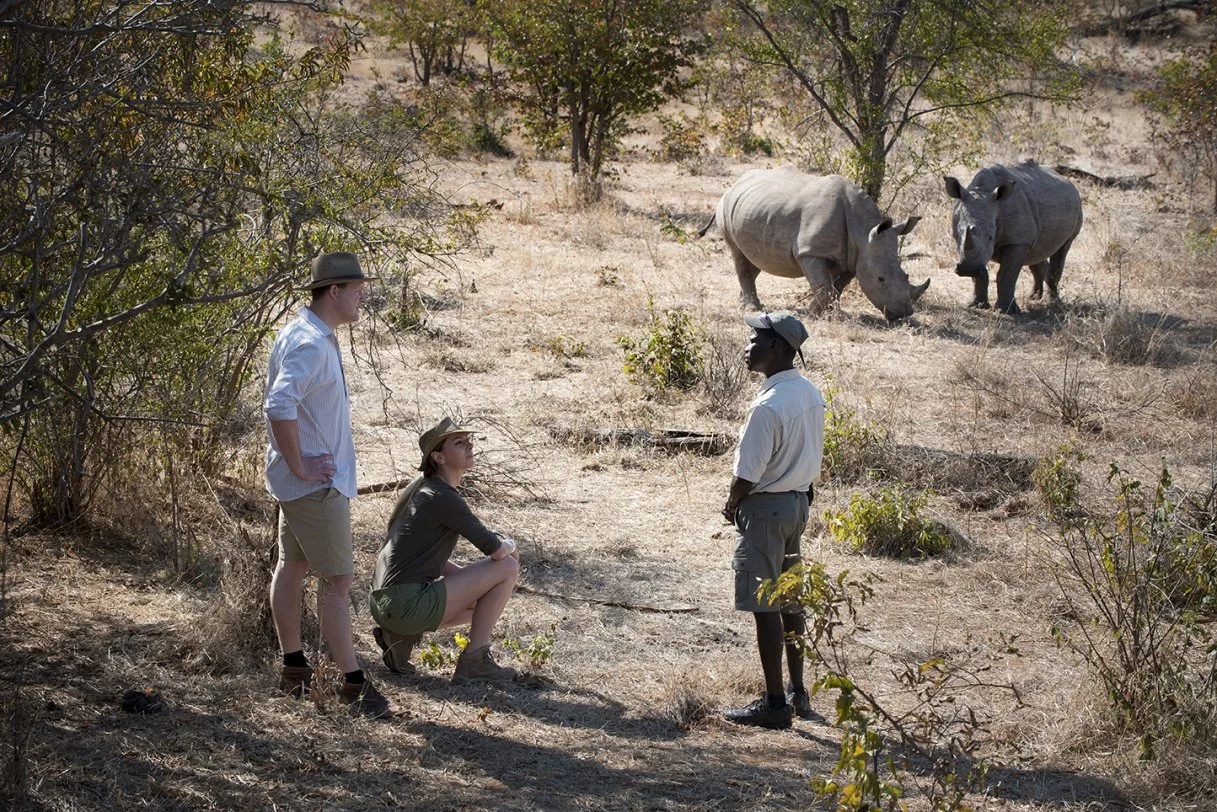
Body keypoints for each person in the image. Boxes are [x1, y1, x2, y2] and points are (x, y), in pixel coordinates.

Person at [264, 251, 390, 719]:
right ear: (332, 291)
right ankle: (354, 684)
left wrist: (292, 466)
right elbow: (279, 405)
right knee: (337, 581)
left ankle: (294, 670)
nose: (363, 297)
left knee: (291, 568)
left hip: (304, 484)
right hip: (315, 486)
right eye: (356, 289)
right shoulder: (311, 344)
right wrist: (298, 464)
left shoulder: (309, 333)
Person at [721, 311, 825, 730]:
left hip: (766, 509)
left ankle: (774, 704)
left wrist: (731, 504)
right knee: (790, 601)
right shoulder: (809, 392)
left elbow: (748, 473)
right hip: (797, 504)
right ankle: (799, 693)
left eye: (754, 340)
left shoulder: (768, 405)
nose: (747, 347)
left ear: (778, 346)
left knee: (765, 606)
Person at [369, 417, 521, 683]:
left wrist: (471, 585)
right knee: (508, 566)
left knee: (483, 605)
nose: (469, 445)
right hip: (405, 605)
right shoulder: (442, 497)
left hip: (386, 605)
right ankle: (475, 661)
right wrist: (512, 546)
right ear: (439, 457)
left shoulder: (423, 491)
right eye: (459, 442)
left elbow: (423, 559)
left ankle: (401, 637)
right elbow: (496, 550)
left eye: (468, 440)